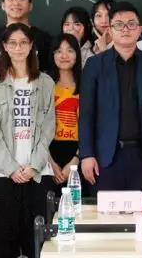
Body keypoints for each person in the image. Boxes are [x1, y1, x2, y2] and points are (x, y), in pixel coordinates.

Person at [80, 1, 142, 196]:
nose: (125, 29)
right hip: (105, 158)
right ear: (110, 30)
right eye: (119, 24)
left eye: (131, 24)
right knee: (106, 213)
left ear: (140, 30)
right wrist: (86, 154)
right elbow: (87, 114)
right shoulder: (94, 65)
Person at [0, 23, 55, 258]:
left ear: (31, 45)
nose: (18, 48)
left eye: (23, 42)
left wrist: (34, 165)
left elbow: (48, 128)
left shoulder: (45, 82)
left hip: (37, 172)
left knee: (37, 241)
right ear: (4, 47)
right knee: (3, 241)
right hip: (2, 173)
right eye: (12, 43)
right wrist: (12, 168)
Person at [44, 34, 83, 199]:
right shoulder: (45, 84)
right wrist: (50, 162)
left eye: (70, 50)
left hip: (78, 153)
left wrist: (76, 160)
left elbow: (92, 126)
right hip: (49, 153)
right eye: (59, 51)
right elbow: (37, 127)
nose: (64, 55)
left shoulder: (86, 84)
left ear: (77, 54)